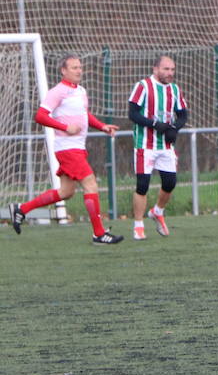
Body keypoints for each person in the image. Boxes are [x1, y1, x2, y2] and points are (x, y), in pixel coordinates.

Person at [8, 55, 123, 244]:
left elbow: (83, 115)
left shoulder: (81, 91)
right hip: (67, 148)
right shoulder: (58, 91)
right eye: (74, 67)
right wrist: (65, 127)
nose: (79, 71)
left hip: (77, 147)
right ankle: (99, 234)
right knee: (91, 184)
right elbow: (41, 115)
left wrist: (102, 126)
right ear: (63, 70)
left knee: (65, 192)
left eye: (80, 67)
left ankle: (21, 209)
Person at [126, 55, 188, 239]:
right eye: (166, 69)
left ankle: (157, 212)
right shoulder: (143, 86)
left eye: (172, 69)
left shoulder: (174, 90)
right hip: (144, 145)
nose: (170, 73)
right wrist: (154, 124)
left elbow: (183, 115)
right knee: (142, 185)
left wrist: (174, 128)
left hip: (165, 146)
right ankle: (138, 225)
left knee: (170, 183)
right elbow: (132, 114)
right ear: (155, 69)